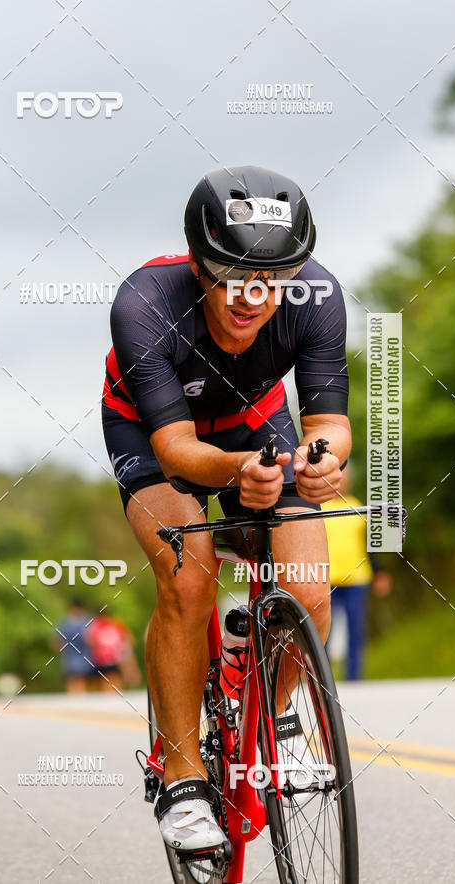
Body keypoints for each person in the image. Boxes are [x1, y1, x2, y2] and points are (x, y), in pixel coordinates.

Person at [102, 165, 350, 852]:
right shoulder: (145, 301)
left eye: (271, 279)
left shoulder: (319, 297)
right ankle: (181, 776)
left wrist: (322, 459)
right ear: (197, 261)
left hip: (254, 425)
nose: (250, 295)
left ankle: (278, 720)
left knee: (307, 582)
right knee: (190, 575)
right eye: (228, 273)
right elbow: (178, 449)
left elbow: (329, 423)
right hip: (155, 437)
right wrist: (244, 471)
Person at [323, 465, 392, 680]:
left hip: (357, 579)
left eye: (344, 479)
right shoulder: (318, 509)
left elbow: (371, 546)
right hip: (327, 580)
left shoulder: (358, 508)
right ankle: (323, 679)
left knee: (356, 630)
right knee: (325, 632)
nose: (340, 483)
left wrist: (380, 572)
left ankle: (354, 677)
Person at [88, 612, 141, 692]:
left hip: (103, 659)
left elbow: (90, 641)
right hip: (114, 659)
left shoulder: (96, 625)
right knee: (115, 682)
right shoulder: (116, 623)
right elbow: (129, 640)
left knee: (106, 682)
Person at [52, 598, 94, 693]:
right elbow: (56, 640)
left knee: (81, 680)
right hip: (70, 657)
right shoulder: (66, 621)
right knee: (71, 680)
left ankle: (79, 701)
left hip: (84, 657)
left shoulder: (86, 620)